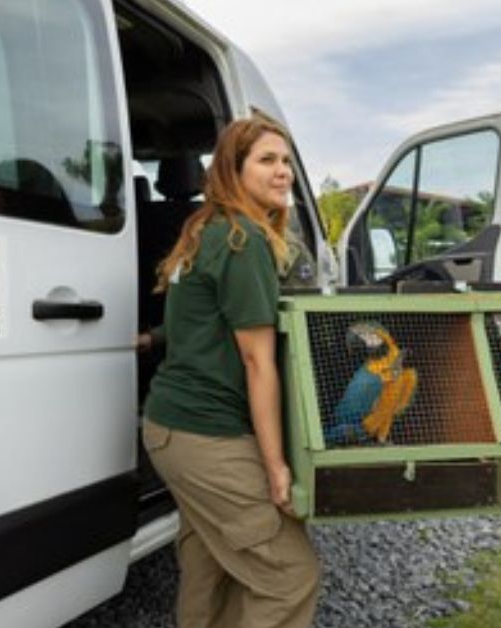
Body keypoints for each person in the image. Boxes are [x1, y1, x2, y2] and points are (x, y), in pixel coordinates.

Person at [139, 115, 320, 628]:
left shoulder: (205, 229)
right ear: (232, 171)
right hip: (207, 435)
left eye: (285, 161)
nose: (283, 171)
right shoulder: (244, 240)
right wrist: (276, 466)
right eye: (267, 160)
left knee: (210, 569)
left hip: (169, 429)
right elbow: (257, 361)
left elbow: (198, 316)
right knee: (290, 577)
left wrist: (151, 338)